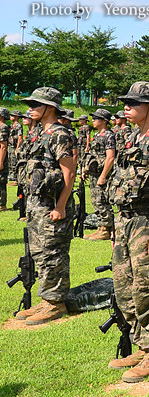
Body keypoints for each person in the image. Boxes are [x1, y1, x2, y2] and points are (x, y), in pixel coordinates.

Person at [104, 82, 149, 382]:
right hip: (126, 222)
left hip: (147, 222)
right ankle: (142, 344)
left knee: (146, 288)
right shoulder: (131, 136)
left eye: (133, 103)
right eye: (126, 102)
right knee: (123, 289)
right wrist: (115, 226)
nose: (126, 107)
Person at [16, 87, 76, 324]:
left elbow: (69, 172)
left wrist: (61, 206)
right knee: (40, 253)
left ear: (50, 108)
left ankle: (56, 303)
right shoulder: (38, 133)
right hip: (37, 205)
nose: (30, 109)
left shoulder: (59, 134)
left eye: (35, 105)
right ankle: (46, 299)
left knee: (53, 253)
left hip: (52, 205)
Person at [83, 109, 115, 240]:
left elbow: (110, 157)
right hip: (94, 173)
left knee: (102, 200)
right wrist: (85, 169)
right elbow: (92, 155)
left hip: (103, 173)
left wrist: (103, 176)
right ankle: (100, 227)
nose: (94, 120)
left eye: (97, 118)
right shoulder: (97, 136)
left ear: (104, 121)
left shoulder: (109, 135)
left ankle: (107, 229)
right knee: (95, 201)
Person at [0, 108, 9, 211]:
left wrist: (1, 161)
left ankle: (2, 204)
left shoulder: (3, 127)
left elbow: (3, 146)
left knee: (1, 180)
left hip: (1, 156)